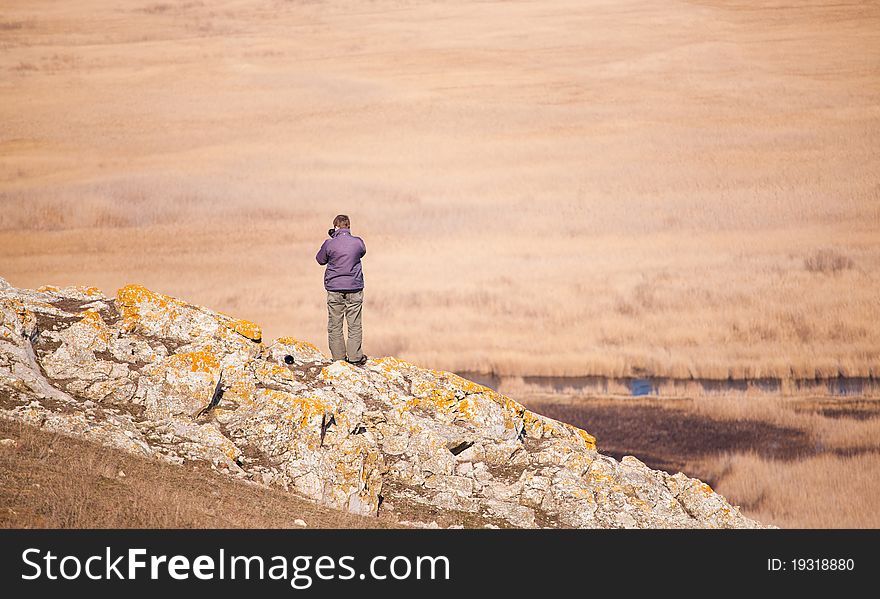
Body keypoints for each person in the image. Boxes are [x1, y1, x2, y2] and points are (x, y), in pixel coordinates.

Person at [315, 214, 368, 365]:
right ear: (349, 226)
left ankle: (338, 358)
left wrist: (333, 239)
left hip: (334, 288)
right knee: (354, 324)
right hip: (354, 287)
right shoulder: (358, 242)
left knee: (335, 324)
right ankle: (355, 357)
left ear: (335, 227)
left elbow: (320, 260)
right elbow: (362, 252)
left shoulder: (329, 244)